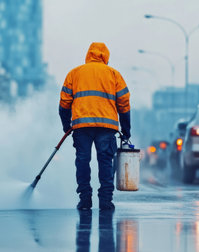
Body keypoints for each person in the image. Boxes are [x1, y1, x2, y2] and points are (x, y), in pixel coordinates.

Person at [59, 42, 131, 210]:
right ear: (105, 56)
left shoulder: (75, 73)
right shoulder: (113, 74)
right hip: (107, 126)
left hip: (81, 126)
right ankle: (105, 201)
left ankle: (85, 199)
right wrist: (126, 130)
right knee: (105, 161)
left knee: (83, 160)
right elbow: (124, 103)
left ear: (88, 54)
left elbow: (64, 103)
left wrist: (66, 125)